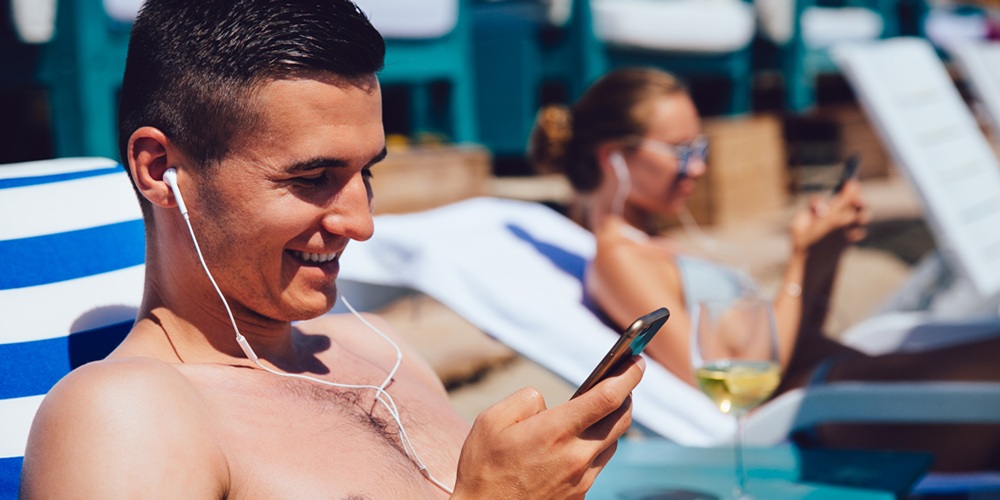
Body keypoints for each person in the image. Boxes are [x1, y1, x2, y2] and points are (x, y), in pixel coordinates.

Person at [18, 1, 644, 498]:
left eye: (365, 172)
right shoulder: (127, 416)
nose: (361, 223)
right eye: (311, 177)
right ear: (160, 169)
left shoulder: (383, 353)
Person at [529, 67, 1000, 471]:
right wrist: (797, 261)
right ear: (613, 157)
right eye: (681, 151)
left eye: (702, 148)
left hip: (844, 382)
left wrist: (824, 253)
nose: (697, 168)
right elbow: (720, 380)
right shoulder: (619, 259)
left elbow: (802, 329)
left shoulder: (658, 246)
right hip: (823, 410)